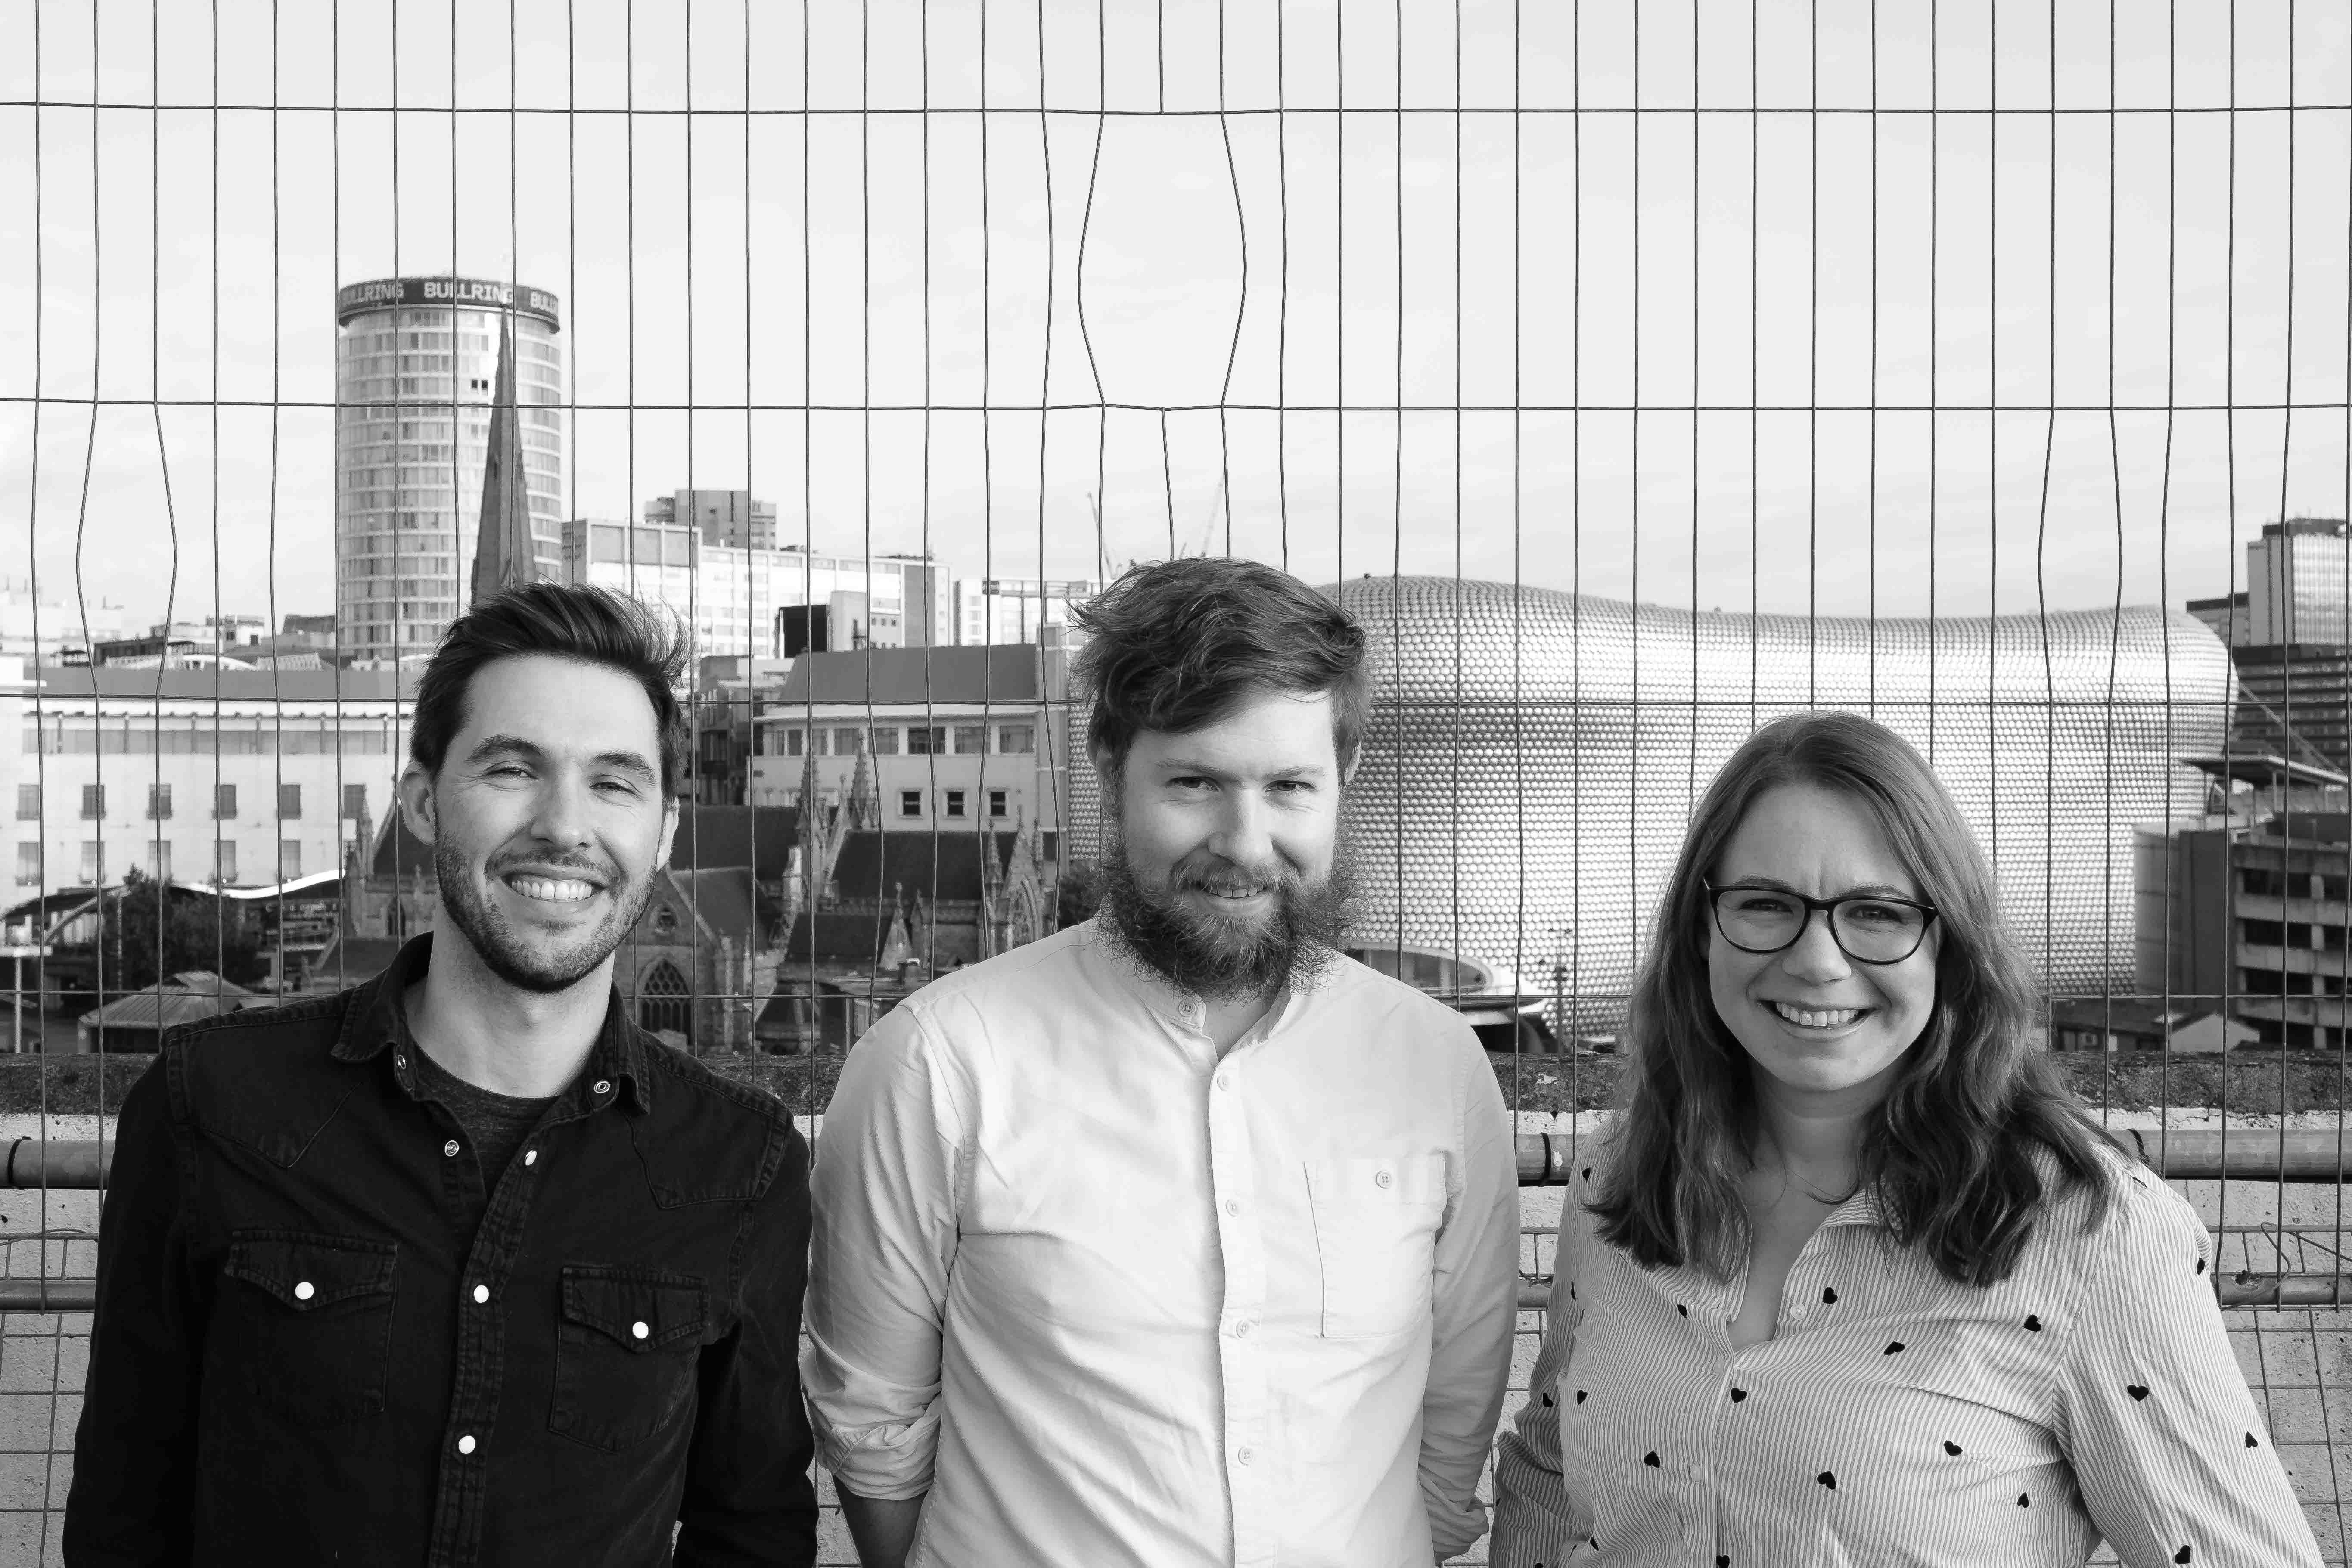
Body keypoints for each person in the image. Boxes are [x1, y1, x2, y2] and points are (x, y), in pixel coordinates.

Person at [65, 584, 818, 1566]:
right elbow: (125, 1515)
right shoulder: (209, 1106)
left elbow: (752, 1528)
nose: (564, 824)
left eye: (614, 782)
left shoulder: (741, 1166)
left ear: (666, 830)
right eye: (512, 768)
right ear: (421, 802)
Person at [801, 556, 1521, 1566]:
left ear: (1344, 776)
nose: (1245, 843)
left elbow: (1449, 1431)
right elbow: (871, 1425)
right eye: (1194, 783)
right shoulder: (939, 1063)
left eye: (1289, 787)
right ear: (1109, 772)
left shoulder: (1435, 1067)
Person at [1489, 710, 2320, 1567]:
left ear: (1948, 944)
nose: (1817, 960)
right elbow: (1548, 1476)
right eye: (1765, 904)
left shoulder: (2090, 1232)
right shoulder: (1620, 1175)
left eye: (1876, 913)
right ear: (1700, 929)